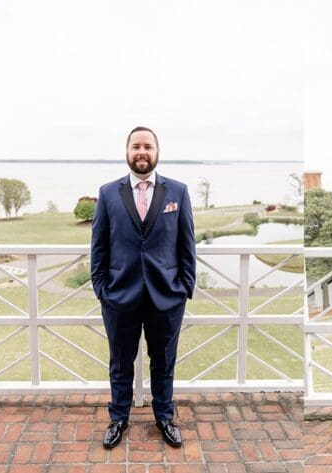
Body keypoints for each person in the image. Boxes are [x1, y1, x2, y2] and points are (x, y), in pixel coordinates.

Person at [90, 126, 196, 448]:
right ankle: (118, 418)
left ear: (157, 152)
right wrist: (101, 288)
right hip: (120, 295)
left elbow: (187, 244)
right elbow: (99, 244)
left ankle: (164, 416)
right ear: (127, 152)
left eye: (147, 146)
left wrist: (184, 288)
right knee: (120, 363)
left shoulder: (177, 191)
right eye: (136, 146)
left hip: (166, 296)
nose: (142, 152)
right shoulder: (109, 193)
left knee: (163, 362)